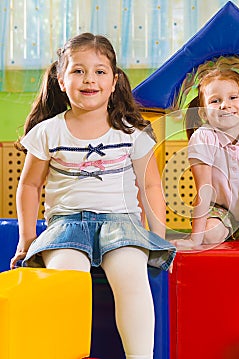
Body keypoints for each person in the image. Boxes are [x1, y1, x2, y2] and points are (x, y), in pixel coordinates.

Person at [10, 32, 176, 359]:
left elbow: (151, 186)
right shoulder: (48, 131)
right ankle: (66, 352)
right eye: (78, 71)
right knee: (66, 280)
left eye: (100, 71)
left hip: (121, 223)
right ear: (61, 80)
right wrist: (27, 238)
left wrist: (158, 236)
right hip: (67, 226)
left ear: (114, 82)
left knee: (131, 275)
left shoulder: (131, 130)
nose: (89, 79)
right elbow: (29, 186)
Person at [171, 69, 239, 250]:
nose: (225, 105)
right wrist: (195, 240)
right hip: (219, 210)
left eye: (233, 98)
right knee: (209, 235)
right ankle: (218, 235)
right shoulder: (203, 137)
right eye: (215, 101)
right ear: (203, 113)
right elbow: (204, 189)